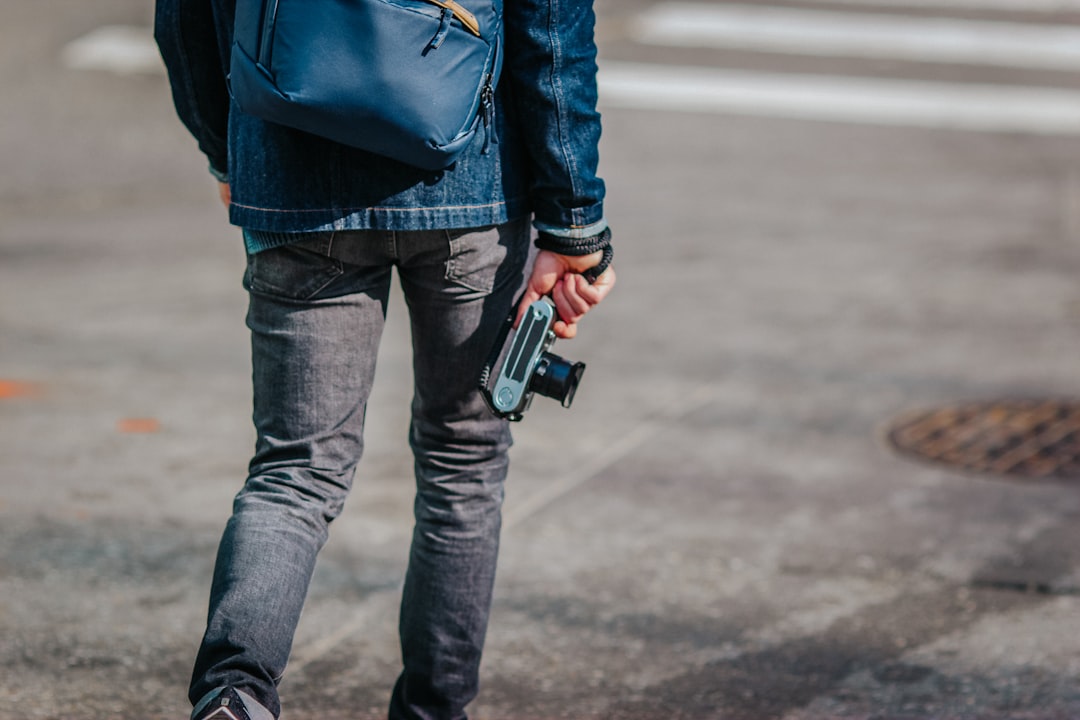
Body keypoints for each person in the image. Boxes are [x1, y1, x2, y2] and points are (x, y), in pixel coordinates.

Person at [154, 0, 616, 718]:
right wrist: (574, 220)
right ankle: (434, 709)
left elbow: (185, 17)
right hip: (472, 185)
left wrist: (228, 150)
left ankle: (234, 695)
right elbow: (552, 31)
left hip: (293, 170)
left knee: (295, 471)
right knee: (463, 463)